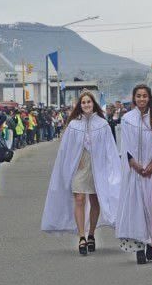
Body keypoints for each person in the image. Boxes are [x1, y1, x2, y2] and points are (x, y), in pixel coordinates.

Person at [41, 91, 122, 255]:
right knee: (79, 198)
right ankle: (81, 237)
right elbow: (66, 149)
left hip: (97, 167)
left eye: (89, 102)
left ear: (93, 104)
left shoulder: (102, 124)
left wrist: (111, 167)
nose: (86, 105)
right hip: (79, 167)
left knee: (94, 200)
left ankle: (91, 233)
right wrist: (71, 162)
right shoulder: (73, 125)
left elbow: (110, 149)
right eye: (83, 102)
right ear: (80, 105)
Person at [116, 85, 152, 264]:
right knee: (137, 209)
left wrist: (151, 164)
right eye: (138, 96)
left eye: (145, 96)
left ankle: (151, 243)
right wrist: (134, 164)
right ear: (134, 98)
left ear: (149, 98)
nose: (142, 99)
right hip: (134, 170)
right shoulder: (127, 119)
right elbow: (124, 145)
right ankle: (140, 247)